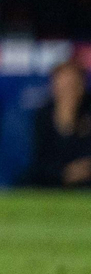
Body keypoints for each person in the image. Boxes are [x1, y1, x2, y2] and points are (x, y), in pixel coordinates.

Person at [31, 60, 91, 188]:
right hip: (54, 178)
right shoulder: (44, 115)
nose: (68, 91)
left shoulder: (88, 111)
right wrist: (65, 173)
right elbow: (41, 159)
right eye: (64, 86)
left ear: (82, 86)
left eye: (73, 85)